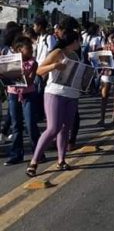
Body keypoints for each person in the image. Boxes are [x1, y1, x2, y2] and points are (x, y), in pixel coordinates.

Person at [26, 28, 83, 177]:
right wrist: (54, 66)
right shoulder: (58, 53)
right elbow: (39, 70)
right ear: (73, 41)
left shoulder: (75, 55)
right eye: (78, 40)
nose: (80, 43)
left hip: (72, 94)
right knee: (53, 128)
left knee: (65, 128)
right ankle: (34, 161)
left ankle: (61, 160)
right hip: (55, 93)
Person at [3, 36, 40, 165]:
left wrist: (20, 74)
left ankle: (38, 152)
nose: (31, 50)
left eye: (31, 48)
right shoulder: (10, 61)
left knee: (30, 124)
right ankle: (16, 154)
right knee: (16, 125)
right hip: (13, 94)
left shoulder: (33, 63)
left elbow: (29, 81)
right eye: (28, 48)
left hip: (28, 95)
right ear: (19, 50)